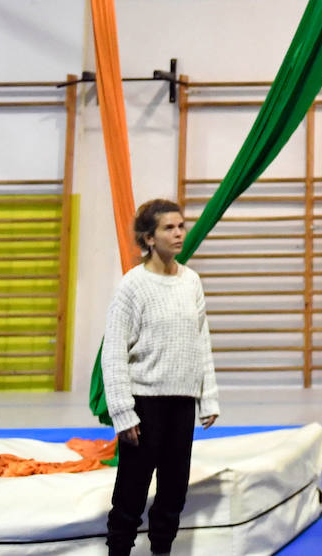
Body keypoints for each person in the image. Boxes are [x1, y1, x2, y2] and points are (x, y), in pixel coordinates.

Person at [102, 199, 219, 556]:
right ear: (148, 238)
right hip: (144, 404)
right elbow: (114, 352)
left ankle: (161, 551)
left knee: (173, 491)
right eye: (169, 227)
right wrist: (123, 411)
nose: (180, 233)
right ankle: (119, 550)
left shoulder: (191, 281)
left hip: (181, 403)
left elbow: (202, 342)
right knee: (132, 491)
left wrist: (208, 398)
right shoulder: (132, 286)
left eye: (181, 225)